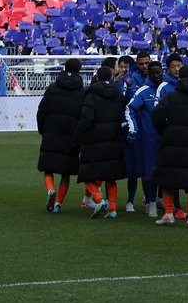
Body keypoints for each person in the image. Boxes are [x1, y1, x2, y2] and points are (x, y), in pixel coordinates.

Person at [150, 64, 188, 228]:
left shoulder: (170, 96)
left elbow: (156, 115)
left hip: (172, 141)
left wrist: (164, 129)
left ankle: (169, 214)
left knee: (167, 178)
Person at [74, 62, 127, 218]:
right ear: (111, 77)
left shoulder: (91, 94)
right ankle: (113, 210)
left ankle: (99, 200)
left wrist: (76, 138)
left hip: (93, 140)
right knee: (111, 176)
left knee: (88, 174)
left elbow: (85, 119)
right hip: (113, 139)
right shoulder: (118, 94)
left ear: (97, 77)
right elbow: (123, 113)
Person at [36, 58, 84, 213]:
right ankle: (58, 204)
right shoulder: (81, 91)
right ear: (79, 70)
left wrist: (42, 129)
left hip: (51, 131)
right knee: (66, 172)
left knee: (48, 167)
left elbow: (41, 110)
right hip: (71, 135)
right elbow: (84, 115)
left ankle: (50, 189)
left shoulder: (53, 87)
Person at [127, 59, 164, 216]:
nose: (156, 75)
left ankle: (165, 203)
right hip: (148, 139)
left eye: (158, 72)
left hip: (167, 139)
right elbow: (130, 109)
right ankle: (151, 202)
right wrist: (134, 128)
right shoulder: (143, 91)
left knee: (165, 171)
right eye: (153, 73)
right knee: (149, 171)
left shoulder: (168, 89)